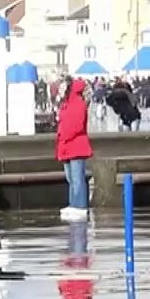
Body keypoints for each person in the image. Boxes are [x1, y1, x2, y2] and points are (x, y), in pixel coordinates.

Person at [56, 78, 94, 222]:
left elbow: (76, 126)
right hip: (66, 146)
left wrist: (64, 136)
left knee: (77, 179)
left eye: (62, 87)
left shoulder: (77, 103)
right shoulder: (66, 103)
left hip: (75, 145)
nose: (60, 89)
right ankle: (74, 205)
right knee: (71, 179)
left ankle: (80, 206)